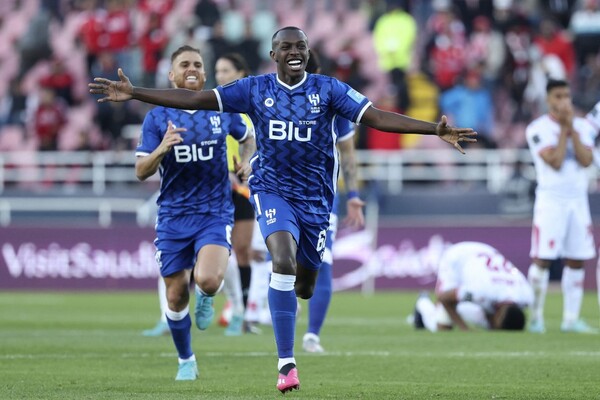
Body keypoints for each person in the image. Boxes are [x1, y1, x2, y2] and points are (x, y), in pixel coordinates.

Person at [89, 26, 476, 393]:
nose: (294, 52)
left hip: (316, 201)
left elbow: (376, 117)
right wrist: (136, 93)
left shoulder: (329, 90)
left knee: (304, 283)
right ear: (273, 54)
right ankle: (286, 364)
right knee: (282, 258)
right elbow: (194, 100)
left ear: (308, 53)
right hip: (271, 189)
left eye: (300, 46)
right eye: (286, 47)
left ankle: (295, 299)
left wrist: (434, 130)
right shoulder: (253, 90)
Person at [134, 45, 255, 380]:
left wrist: (246, 161)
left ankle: (207, 295)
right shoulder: (157, 117)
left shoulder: (220, 108)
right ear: (171, 75)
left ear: (204, 74)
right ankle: (186, 359)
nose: (192, 69)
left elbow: (250, 137)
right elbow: (141, 171)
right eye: (184, 64)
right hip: (173, 216)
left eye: (198, 65)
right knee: (174, 297)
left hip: (214, 211)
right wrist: (161, 148)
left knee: (208, 278)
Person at [302, 49, 365, 353]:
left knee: (321, 263)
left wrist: (353, 195)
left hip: (322, 200)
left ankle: (312, 334)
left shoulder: (331, 101)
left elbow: (348, 153)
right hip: (279, 196)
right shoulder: (271, 99)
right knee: (285, 263)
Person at [525, 79, 597, 334]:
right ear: (548, 99)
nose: (563, 101)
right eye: (558, 96)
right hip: (551, 201)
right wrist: (565, 130)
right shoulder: (537, 128)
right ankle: (535, 318)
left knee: (577, 259)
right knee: (542, 259)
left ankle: (570, 319)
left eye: (566, 95)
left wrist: (572, 129)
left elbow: (587, 160)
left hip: (577, 201)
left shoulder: (582, 126)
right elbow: (554, 161)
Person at [213, 53, 256, 336]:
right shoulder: (211, 106)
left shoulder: (253, 107)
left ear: (240, 72)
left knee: (242, 251)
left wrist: (247, 165)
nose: (220, 76)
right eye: (217, 70)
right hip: (215, 187)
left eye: (226, 70)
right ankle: (175, 312)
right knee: (209, 247)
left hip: (244, 187)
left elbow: (256, 142)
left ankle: (241, 313)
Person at [413, 241, 533, 332]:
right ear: (499, 314)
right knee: (443, 325)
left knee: (481, 316)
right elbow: (445, 298)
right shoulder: (481, 293)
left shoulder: (527, 295)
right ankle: (423, 302)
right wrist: (464, 328)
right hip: (457, 257)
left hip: (486, 253)